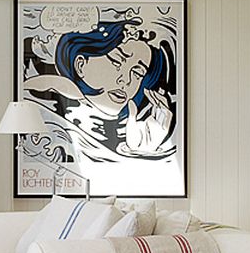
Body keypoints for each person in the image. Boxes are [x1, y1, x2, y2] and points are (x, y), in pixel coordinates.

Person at [24, 18, 174, 156]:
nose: (126, 80)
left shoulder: (130, 129)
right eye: (116, 61)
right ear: (80, 64)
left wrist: (142, 149)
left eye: (137, 73)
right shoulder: (43, 108)